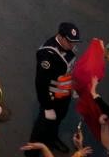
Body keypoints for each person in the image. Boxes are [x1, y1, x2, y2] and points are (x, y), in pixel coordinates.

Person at [29, 22, 80, 151]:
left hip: (64, 93)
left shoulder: (69, 46)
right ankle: (32, 152)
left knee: (58, 119)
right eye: (70, 42)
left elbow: (71, 68)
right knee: (42, 125)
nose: (73, 45)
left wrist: (73, 87)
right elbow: (41, 83)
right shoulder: (47, 54)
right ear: (61, 37)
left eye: (75, 42)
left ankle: (51, 139)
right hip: (51, 97)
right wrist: (47, 107)